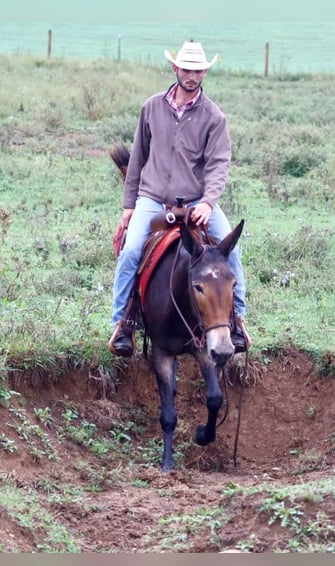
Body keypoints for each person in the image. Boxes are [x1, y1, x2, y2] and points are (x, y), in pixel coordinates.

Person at [108, 40, 251, 357]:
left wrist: (207, 203)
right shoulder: (151, 107)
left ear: (205, 72)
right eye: (187, 69)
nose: (192, 75)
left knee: (233, 253)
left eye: (198, 70)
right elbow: (138, 160)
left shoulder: (215, 117)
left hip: (197, 201)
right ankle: (123, 324)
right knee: (131, 251)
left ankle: (237, 322)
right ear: (175, 68)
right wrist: (129, 206)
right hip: (153, 197)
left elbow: (218, 165)